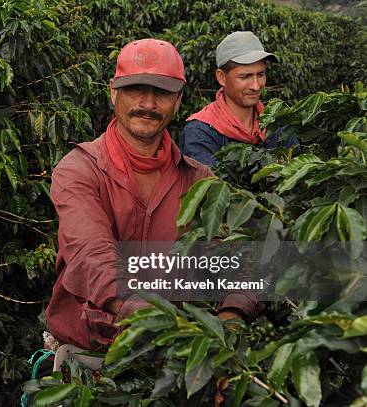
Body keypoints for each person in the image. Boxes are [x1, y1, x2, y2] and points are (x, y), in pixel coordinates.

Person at [45, 39, 259, 352]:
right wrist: (145, 316)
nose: (147, 103)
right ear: (113, 92)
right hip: (92, 348)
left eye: (162, 92)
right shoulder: (79, 170)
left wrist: (231, 315)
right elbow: (91, 254)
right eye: (136, 89)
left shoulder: (200, 180)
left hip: (175, 353)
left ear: (178, 100)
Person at [180, 31, 296, 166]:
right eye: (245, 76)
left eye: (261, 74)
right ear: (221, 77)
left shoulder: (277, 125)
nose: (256, 85)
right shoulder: (201, 132)